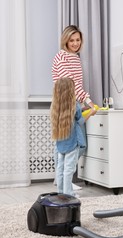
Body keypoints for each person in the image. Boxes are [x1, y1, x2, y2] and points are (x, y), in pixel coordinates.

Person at [52, 25, 97, 190]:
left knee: (70, 144)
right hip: (65, 102)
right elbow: (70, 84)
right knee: (69, 145)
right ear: (65, 40)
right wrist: (88, 101)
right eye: (72, 40)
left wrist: (84, 100)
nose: (75, 43)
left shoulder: (75, 58)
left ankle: (64, 180)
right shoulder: (61, 57)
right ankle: (64, 181)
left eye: (78, 40)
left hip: (75, 101)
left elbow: (77, 83)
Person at [50, 78, 94, 197]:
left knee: (60, 168)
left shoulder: (56, 105)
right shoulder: (74, 104)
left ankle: (60, 192)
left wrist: (82, 109)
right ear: (70, 90)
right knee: (69, 169)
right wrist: (91, 111)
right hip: (73, 143)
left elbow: (73, 115)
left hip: (61, 143)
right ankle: (68, 193)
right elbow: (80, 121)